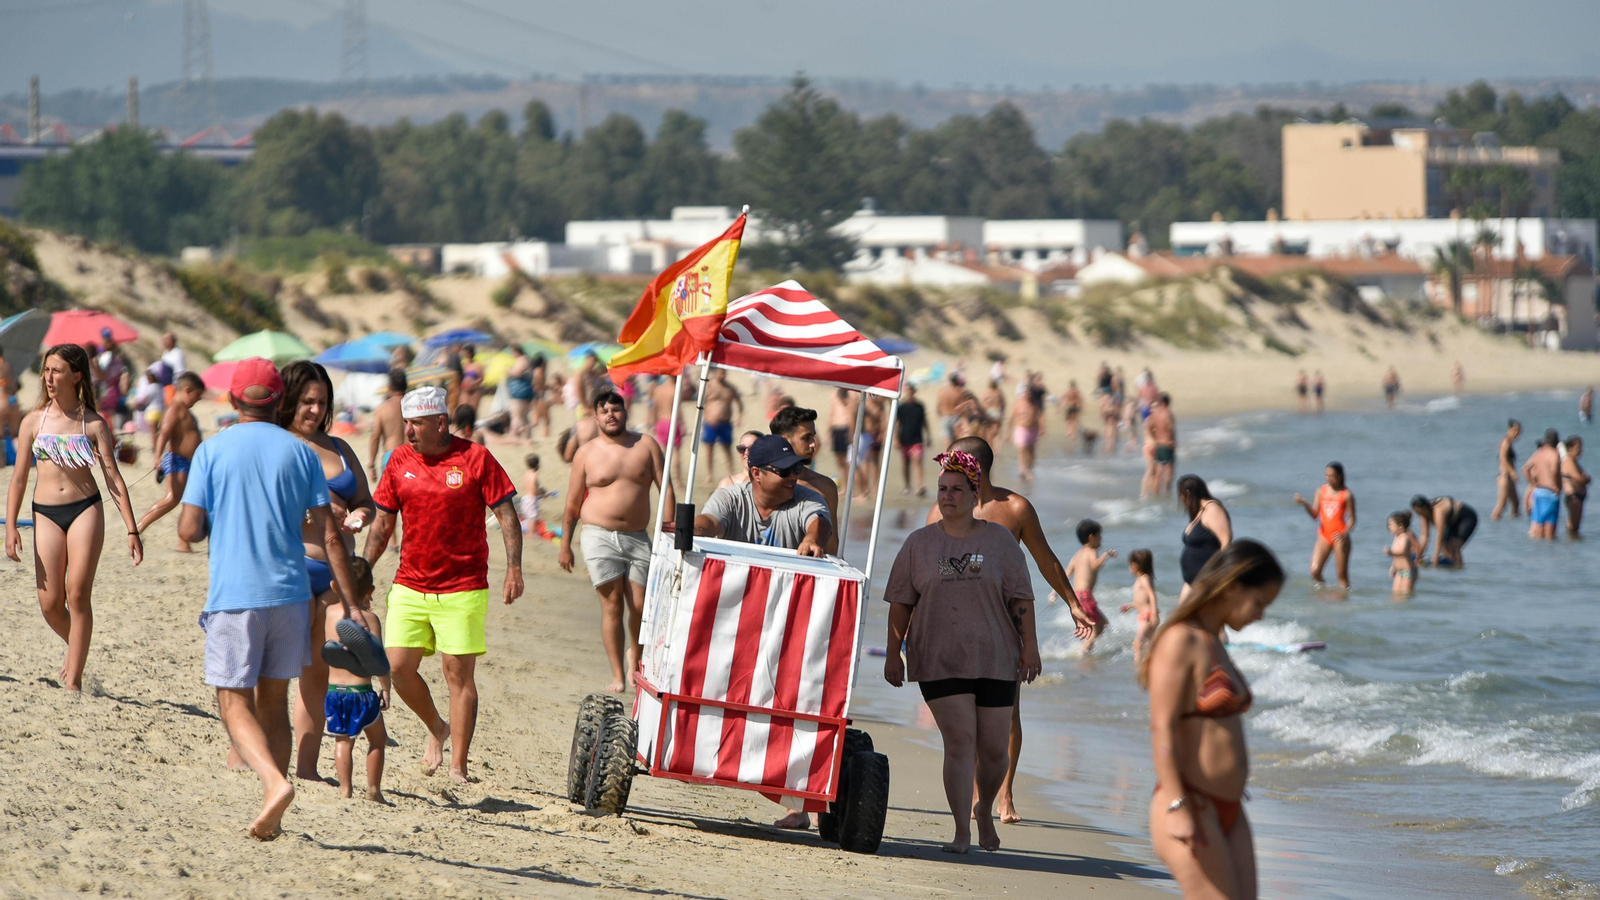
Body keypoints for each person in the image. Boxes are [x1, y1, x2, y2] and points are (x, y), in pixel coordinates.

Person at [176, 358, 361, 840]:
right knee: (274, 700)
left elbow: (189, 528)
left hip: (238, 591)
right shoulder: (301, 454)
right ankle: (273, 807)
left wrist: (228, 516)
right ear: (279, 400)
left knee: (232, 700)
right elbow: (332, 535)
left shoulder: (213, 450)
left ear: (233, 400)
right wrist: (353, 602)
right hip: (291, 593)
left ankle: (275, 783)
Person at [926, 436, 1092, 824]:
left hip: (1003, 628)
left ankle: (1004, 792)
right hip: (954, 625)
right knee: (963, 712)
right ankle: (976, 792)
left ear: (975, 469)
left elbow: (1045, 559)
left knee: (1006, 713)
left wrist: (1072, 603)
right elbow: (927, 570)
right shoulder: (940, 511)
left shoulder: (1015, 508)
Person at [883, 450, 1041, 854]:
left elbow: (1022, 597)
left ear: (975, 495)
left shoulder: (1001, 541)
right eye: (942, 489)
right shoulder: (919, 544)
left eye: (957, 489)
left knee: (993, 753)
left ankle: (984, 806)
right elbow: (901, 601)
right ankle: (960, 832)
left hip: (995, 656)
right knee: (960, 741)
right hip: (939, 657)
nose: (947, 496)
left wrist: (1030, 648)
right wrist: (891, 653)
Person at [364, 386, 523, 784]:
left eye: (416, 423)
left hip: (463, 587)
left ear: (440, 422)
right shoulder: (399, 459)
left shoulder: (475, 458)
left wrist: (514, 569)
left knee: (458, 676)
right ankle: (437, 726)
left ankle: (458, 765)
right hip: (410, 583)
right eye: (405, 423)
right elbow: (383, 525)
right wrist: (361, 571)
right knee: (397, 668)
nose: (408, 431)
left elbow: (506, 514)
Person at [1142, 540, 1283, 900]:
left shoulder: (1214, 641)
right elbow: (1163, 726)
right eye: (1259, 603)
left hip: (1230, 810)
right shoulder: (1180, 640)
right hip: (1189, 802)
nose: (1260, 615)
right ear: (1233, 586)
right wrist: (1177, 804)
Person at [4, 344, 144, 692]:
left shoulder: (93, 423)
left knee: (78, 594)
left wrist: (132, 529)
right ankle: (78, 647)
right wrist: (10, 525)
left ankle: (74, 681)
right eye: (46, 370)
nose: (49, 378)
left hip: (85, 509)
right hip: (45, 513)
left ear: (77, 376)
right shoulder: (33, 422)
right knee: (50, 604)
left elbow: (113, 477)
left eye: (57, 371)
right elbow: (19, 477)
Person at [278, 361, 378, 782]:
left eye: (322, 402)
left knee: (322, 667)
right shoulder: (279, 444)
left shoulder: (339, 447)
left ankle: (306, 768)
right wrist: (310, 511)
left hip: (339, 571)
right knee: (283, 667)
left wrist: (357, 514)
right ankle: (255, 753)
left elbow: (368, 501)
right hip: (294, 564)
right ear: (288, 401)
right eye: (307, 401)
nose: (315, 410)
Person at [559, 390, 669, 692]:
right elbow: (572, 502)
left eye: (616, 409)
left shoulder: (645, 445)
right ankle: (618, 674)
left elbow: (666, 488)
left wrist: (669, 533)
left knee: (640, 606)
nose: (611, 415)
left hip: (638, 537)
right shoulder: (586, 453)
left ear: (625, 412)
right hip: (598, 536)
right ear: (595, 417)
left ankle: (636, 654)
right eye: (604, 410)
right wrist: (565, 543)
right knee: (611, 606)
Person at [693, 435, 832, 558]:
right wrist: (693, 529)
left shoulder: (809, 498)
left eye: (796, 468)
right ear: (757, 473)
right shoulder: (729, 497)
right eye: (784, 470)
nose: (793, 476)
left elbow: (819, 523)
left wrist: (811, 540)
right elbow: (709, 521)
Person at [322, 557, 390, 802]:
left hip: (334, 692)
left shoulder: (329, 613)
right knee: (378, 740)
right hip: (361, 693)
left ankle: (345, 790)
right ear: (370, 591)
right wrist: (386, 688)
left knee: (343, 741)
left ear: (333, 586)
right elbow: (379, 661)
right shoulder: (370, 620)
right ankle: (373, 790)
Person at [136, 372, 205, 552]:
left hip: (190, 463)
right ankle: (137, 528)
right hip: (177, 461)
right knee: (171, 498)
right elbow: (164, 432)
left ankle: (184, 542)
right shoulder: (175, 408)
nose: (197, 401)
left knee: (189, 501)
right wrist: (157, 456)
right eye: (196, 397)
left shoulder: (184, 411)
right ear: (188, 390)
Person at [770, 405, 841, 527]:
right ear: (785, 441)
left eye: (813, 437)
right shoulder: (761, 483)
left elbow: (831, 543)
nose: (814, 444)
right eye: (806, 438)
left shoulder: (825, 487)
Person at [1293, 461, 1356, 590]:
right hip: (1324, 535)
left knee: (1341, 575)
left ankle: (1344, 603)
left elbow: (1352, 520)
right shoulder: (1320, 491)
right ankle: (1326, 593)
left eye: (1331, 476)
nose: (1328, 478)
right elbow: (1315, 515)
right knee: (1315, 571)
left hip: (1340, 537)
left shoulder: (1346, 494)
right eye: (1326, 475)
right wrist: (1304, 503)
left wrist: (1344, 533)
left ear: (1339, 477)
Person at [1062, 519, 1114, 654]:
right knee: (1097, 629)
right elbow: (1095, 566)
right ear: (1092, 537)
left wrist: (1054, 593)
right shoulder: (1092, 552)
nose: (1101, 540)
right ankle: (1083, 653)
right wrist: (1106, 555)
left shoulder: (1077, 555)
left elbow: (1066, 575)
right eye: (1099, 537)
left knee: (1102, 624)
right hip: (1085, 596)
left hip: (1077, 596)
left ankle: (1088, 652)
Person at [1178, 475, 1233, 601]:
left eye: (1181, 496)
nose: (1181, 501)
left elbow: (1226, 541)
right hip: (1192, 583)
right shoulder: (1199, 512)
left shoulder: (1213, 509)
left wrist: (1220, 574)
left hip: (1206, 581)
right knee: (1180, 620)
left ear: (1187, 493)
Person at [1409, 494, 1478, 567]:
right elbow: (1424, 536)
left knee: (1454, 546)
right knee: (1446, 549)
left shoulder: (1438, 510)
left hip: (1466, 518)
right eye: (1415, 511)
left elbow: (1439, 535)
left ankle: (1459, 568)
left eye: (1418, 510)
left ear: (1424, 507)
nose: (1417, 513)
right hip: (1452, 522)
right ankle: (1450, 572)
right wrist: (1418, 557)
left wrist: (1435, 556)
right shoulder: (1423, 515)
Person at [701, 368, 743, 484]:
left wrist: (739, 416)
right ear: (715, 373)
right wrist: (707, 417)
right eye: (720, 372)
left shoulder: (730, 388)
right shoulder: (709, 387)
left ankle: (731, 472)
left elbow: (739, 402)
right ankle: (710, 474)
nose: (722, 375)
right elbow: (700, 403)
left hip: (725, 422)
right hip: (711, 423)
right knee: (709, 448)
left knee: (727, 448)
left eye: (724, 372)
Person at [367, 368, 407, 482]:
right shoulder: (414, 407)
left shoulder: (382, 409)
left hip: (392, 456)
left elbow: (375, 437)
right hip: (412, 454)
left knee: (390, 497)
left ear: (389, 386)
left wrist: (371, 465)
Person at [1120, 549, 1159, 664]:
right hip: (1145, 616)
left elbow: (1152, 595)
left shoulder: (1144, 579)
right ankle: (1151, 665)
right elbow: (1142, 600)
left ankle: (1137, 666)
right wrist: (1130, 606)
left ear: (1134, 565)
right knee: (1149, 645)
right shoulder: (1141, 579)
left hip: (1147, 617)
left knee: (1138, 643)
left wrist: (1154, 615)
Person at [1522, 429, 1562, 541]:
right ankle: (1549, 556)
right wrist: (1556, 486)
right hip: (1551, 493)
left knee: (1536, 532)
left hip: (1538, 492)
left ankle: (1537, 556)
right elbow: (1554, 471)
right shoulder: (1554, 454)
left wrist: (1534, 483)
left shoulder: (1538, 453)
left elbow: (1525, 469)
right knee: (1549, 535)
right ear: (1556, 441)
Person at [896, 384, 931, 496]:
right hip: (904, 438)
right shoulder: (901, 407)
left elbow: (925, 421)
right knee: (906, 463)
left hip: (917, 439)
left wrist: (928, 435)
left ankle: (920, 486)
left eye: (910, 390)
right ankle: (907, 486)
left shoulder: (919, 406)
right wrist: (895, 439)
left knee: (917, 461)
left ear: (914, 391)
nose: (909, 392)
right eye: (907, 390)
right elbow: (896, 423)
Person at [1010, 376, 1044, 484]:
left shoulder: (1034, 404)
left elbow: (1039, 416)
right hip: (1021, 429)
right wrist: (1007, 432)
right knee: (1021, 449)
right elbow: (1011, 418)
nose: (1027, 394)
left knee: (1031, 451)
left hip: (1033, 429)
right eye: (1026, 392)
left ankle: (1029, 468)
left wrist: (1043, 428)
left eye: (1029, 392)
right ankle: (1023, 470)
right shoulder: (1018, 404)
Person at [1144, 393, 1177, 497]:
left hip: (1158, 445)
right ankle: (1167, 493)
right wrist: (1173, 441)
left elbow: (1149, 427)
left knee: (1158, 472)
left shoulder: (1154, 415)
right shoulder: (1168, 414)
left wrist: (1155, 438)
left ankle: (1155, 494)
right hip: (1168, 445)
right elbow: (1170, 428)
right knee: (1168, 471)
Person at [519, 453, 557, 539]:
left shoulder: (527, 474)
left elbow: (523, 485)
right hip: (531, 500)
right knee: (533, 517)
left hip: (525, 498)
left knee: (528, 516)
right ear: (537, 465)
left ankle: (528, 532)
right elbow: (534, 488)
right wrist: (543, 494)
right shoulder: (534, 475)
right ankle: (531, 534)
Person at [1384, 511, 1421, 597]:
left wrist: (1390, 552)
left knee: (1405, 594)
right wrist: (1393, 567)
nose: (1389, 527)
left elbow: (1402, 552)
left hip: (1408, 571)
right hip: (1399, 571)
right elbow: (1395, 558)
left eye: (1391, 525)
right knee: (1395, 594)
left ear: (1400, 526)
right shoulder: (1396, 538)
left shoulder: (1405, 537)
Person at [1492, 420, 1522, 520]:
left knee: (1516, 503)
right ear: (1508, 429)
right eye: (1515, 430)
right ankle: (1494, 522)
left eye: (1519, 431)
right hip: (1504, 476)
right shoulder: (1505, 442)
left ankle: (1513, 528)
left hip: (1508, 477)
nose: (1517, 433)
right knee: (1502, 504)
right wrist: (1513, 472)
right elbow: (1502, 458)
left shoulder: (1509, 442)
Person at [504, 345, 535, 441]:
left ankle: (514, 435)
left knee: (515, 414)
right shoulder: (525, 359)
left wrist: (507, 370)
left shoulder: (522, 359)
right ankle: (527, 436)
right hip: (523, 390)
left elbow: (517, 373)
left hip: (520, 391)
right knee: (523, 416)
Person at [1562, 436, 1589, 537]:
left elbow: (1587, 478)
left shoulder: (1575, 462)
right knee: (1573, 528)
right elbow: (1580, 479)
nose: (1580, 450)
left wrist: (1585, 478)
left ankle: (1574, 549)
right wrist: (1585, 478)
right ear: (1570, 448)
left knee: (1576, 528)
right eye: (1578, 447)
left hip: (1578, 497)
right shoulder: (1568, 461)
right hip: (1573, 497)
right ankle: (1571, 549)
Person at [828, 387, 857, 476]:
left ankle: (852, 485)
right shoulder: (834, 394)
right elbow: (832, 413)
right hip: (836, 428)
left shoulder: (851, 394)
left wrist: (852, 433)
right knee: (839, 460)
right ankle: (845, 485)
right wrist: (828, 432)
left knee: (848, 460)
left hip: (845, 427)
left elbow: (852, 414)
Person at [1061, 380, 1083, 449]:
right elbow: (1081, 399)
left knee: (1068, 420)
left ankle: (1068, 432)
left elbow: (1062, 397)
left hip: (1068, 406)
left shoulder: (1067, 390)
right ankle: (1073, 434)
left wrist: (1061, 406)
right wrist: (1081, 406)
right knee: (1074, 420)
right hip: (1075, 406)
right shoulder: (1076, 390)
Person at [1099, 390, 1120, 456]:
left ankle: (1109, 449)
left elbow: (1102, 407)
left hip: (1109, 415)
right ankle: (1110, 449)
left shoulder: (1104, 399)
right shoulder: (1111, 399)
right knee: (1110, 434)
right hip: (1110, 415)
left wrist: (1102, 414)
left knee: (1109, 434)